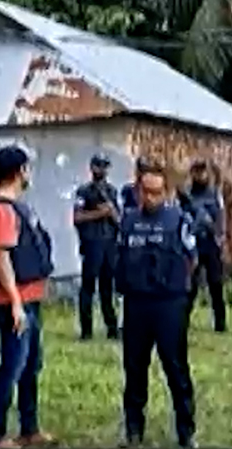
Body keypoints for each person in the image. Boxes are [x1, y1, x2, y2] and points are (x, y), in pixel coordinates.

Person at [116, 163, 198, 447]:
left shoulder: (178, 219)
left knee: (176, 369)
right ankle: (133, 430)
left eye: (156, 192)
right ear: (138, 190)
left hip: (169, 304)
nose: (150, 198)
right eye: (145, 192)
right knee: (134, 369)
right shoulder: (127, 221)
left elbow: (192, 257)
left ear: (166, 192)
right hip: (137, 304)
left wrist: (180, 292)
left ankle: (186, 432)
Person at [0, 145, 56, 448]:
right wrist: (15, 303)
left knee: (30, 365)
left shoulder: (17, 206)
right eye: (27, 168)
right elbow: (1, 257)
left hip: (29, 298)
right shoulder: (2, 209)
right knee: (12, 366)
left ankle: (29, 428)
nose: (29, 174)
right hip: (15, 301)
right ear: (20, 171)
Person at [73, 152, 121, 341]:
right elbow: (77, 217)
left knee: (107, 288)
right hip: (92, 244)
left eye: (105, 166)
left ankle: (112, 328)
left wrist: (111, 212)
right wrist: (98, 213)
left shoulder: (112, 191)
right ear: (92, 168)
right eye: (99, 166)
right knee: (88, 288)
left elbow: (119, 221)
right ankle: (86, 330)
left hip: (110, 244)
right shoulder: (84, 191)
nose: (102, 169)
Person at [184, 158, 228, 333]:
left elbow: (221, 217)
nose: (200, 175)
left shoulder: (215, 194)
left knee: (216, 284)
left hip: (211, 243)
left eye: (203, 171)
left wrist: (220, 236)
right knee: (190, 287)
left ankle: (220, 324)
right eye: (197, 171)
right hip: (193, 244)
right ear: (192, 174)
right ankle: (182, 321)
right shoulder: (187, 195)